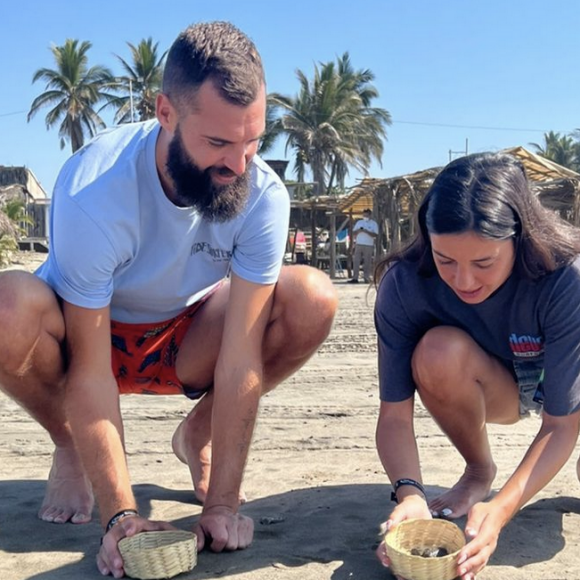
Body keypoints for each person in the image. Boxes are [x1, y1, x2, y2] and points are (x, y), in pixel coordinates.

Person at [0, 21, 337, 578]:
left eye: (253, 141)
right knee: (6, 307)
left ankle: (196, 433)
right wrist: (121, 518)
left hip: (184, 336)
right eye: (219, 143)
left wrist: (223, 505)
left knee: (311, 297)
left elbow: (240, 358)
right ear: (165, 114)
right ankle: (69, 441)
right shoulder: (93, 188)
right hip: (88, 335)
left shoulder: (261, 195)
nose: (240, 165)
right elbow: (88, 369)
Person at [373, 152, 580, 580]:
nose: (463, 281)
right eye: (445, 260)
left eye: (483, 262)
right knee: (437, 350)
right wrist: (409, 493)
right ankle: (479, 469)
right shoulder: (405, 284)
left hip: (570, 372)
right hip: (506, 380)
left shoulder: (565, 277)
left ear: (520, 238)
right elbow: (393, 414)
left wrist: (503, 507)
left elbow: (561, 424)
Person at [348, 208, 378, 283]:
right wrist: (359, 231)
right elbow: (353, 232)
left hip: (368, 245)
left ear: (370, 215)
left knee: (367, 261)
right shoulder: (359, 222)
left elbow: (375, 234)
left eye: (366, 215)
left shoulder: (373, 224)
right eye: (364, 215)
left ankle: (366, 278)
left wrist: (366, 231)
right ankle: (355, 278)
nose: (365, 217)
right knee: (356, 261)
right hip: (359, 244)